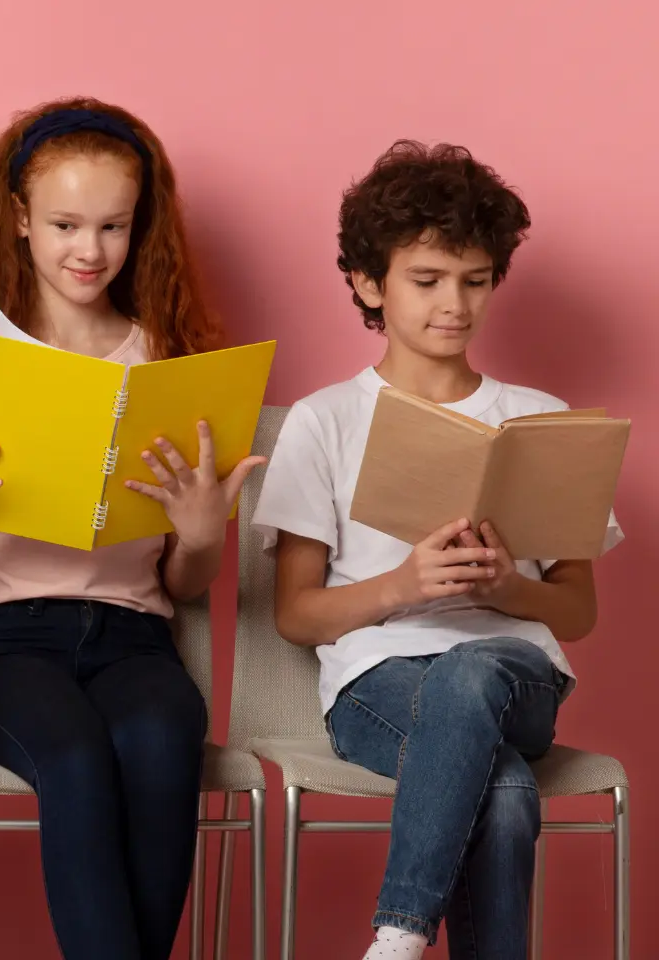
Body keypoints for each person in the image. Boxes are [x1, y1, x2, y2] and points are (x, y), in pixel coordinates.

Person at [0, 98, 255, 958]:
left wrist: (202, 531)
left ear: (141, 229)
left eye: (113, 227)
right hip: (7, 646)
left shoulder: (165, 363)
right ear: (18, 221)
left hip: (135, 639)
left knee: (168, 744)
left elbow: (181, 583)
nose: (88, 251)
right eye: (63, 224)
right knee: (78, 759)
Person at [253, 140, 620, 960]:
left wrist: (506, 591)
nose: (454, 303)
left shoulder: (538, 416)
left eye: (475, 280)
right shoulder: (325, 421)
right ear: (368, 282)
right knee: (508, 794)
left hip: (515, 678)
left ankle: (398, 932)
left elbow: (579, 609)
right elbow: (296, 613)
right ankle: (410, 934)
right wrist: (405, 584)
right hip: (377, 685)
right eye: (426, 280)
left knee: (476, 666)